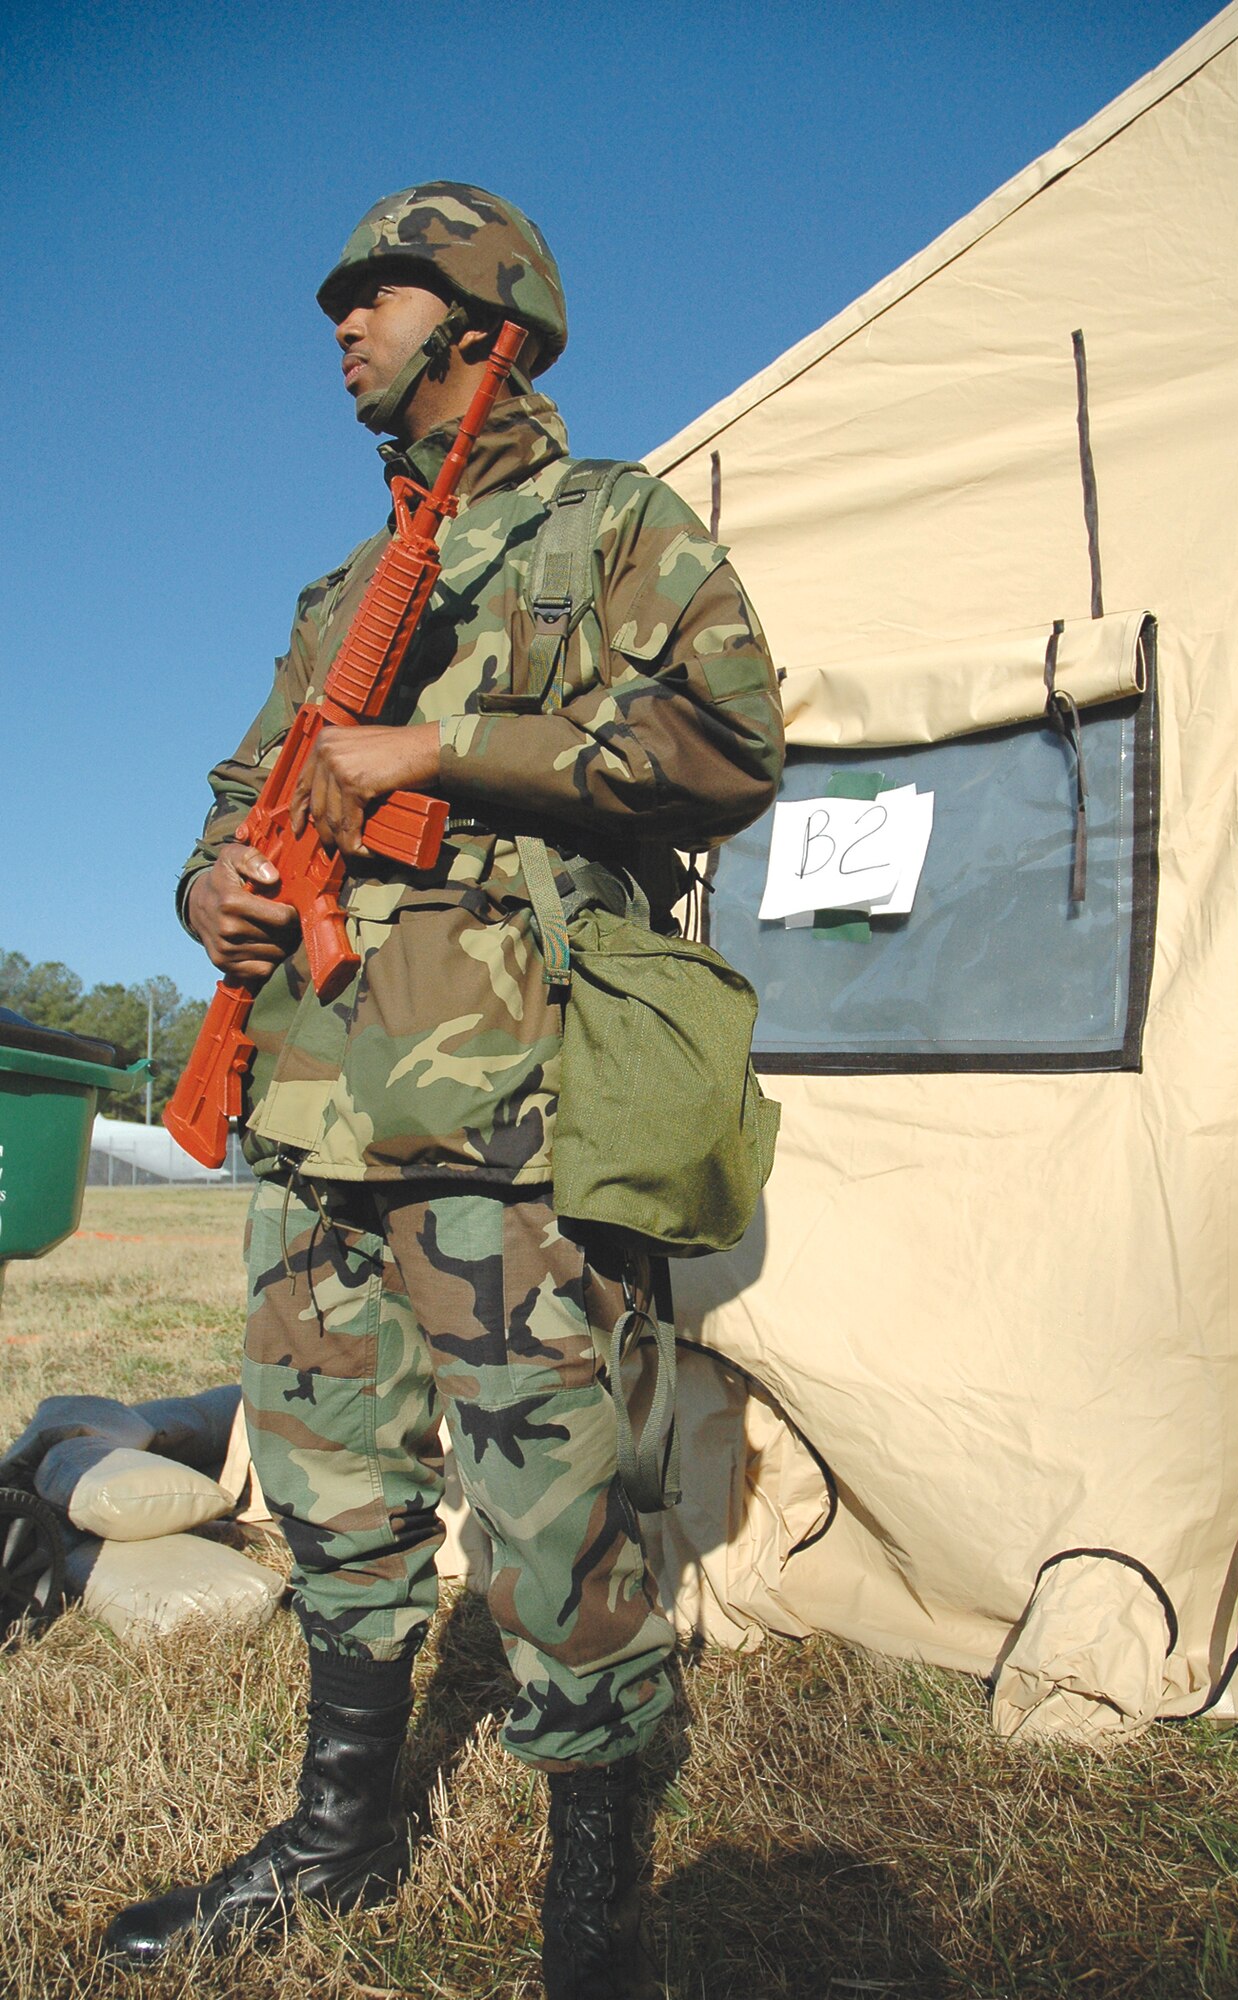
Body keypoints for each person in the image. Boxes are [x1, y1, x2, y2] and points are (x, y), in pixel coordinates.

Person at [98, 182, 783, 1997]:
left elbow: (730, 747)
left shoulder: (612, 527)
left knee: (557, 1506)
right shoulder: (345, 592)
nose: (343, 323)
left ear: (483, 322)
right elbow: (241, 785)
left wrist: (437, 748)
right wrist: (207, 889)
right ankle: (336, 1834)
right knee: (330, 1490)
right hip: (317, 1097)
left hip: (511, 1110)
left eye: (379, 296)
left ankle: (593, 1906)